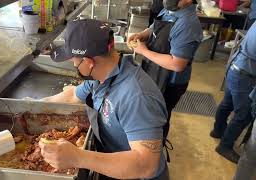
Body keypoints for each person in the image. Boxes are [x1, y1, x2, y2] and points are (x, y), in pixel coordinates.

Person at [39, 19, 169, 180]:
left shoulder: (137, 97)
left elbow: (146, 165)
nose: (73, 64)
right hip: (113, 164)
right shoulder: (102, 75)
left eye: (74, 60)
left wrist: (78, 157)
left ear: (89, 62)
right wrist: (31, 104)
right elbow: (73, 95)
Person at [128, 0, 202, 141]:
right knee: (148, 113)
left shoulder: (188, 24)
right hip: (155, 72)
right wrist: (142, 35)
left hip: (169, 83)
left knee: (158, 119)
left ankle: (155, 149)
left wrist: (143, 51)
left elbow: (177, 64)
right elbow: (154, 28)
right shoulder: (171, 10)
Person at [210, 22, 256, 163]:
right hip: (245, 74)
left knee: (227, 103)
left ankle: (218, 130)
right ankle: (225, 146)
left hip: (236, 67)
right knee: (244, 114)